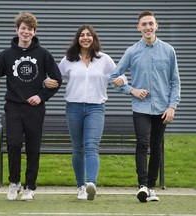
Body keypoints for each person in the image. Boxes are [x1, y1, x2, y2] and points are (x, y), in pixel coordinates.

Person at [0, 12, 62, 201]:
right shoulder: (7, 55)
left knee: (33, 148)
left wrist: (41, 96)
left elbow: (57, 79)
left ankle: (30, 187)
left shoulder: (43, 54)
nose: (26, 32)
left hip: (35, 108)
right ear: (17, 30)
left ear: (34, 32)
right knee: (14, 143)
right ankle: (14, 182)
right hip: (13, 106)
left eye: (30, 29)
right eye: (23, 28)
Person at [45, 24, 127, 201]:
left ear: (94, 38)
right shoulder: (68, 59)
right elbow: (55, 77)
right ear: (77, 39)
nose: (85, 37)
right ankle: (80, 186)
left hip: (96, 108)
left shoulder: (104, 59)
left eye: (89, 35)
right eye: (82, 35)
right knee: (78, 148)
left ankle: (91, 184)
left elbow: (118, 76)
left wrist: (122, 80)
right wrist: (46, 82)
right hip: (73, 107)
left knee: (91, 146)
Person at [109, 11, 181, 202]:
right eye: (144, 24)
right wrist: (131, 90)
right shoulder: (132, 51)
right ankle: (142, 186)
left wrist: (172, 106)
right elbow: (113, 77)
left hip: (162, 109)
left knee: (157, 147)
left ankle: (151, 187)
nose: (148, 27)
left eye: (151, 23)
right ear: (138, 27)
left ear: (156, 26)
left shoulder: (168, 50)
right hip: (140, 108)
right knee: (143, 144)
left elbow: (175, 82)